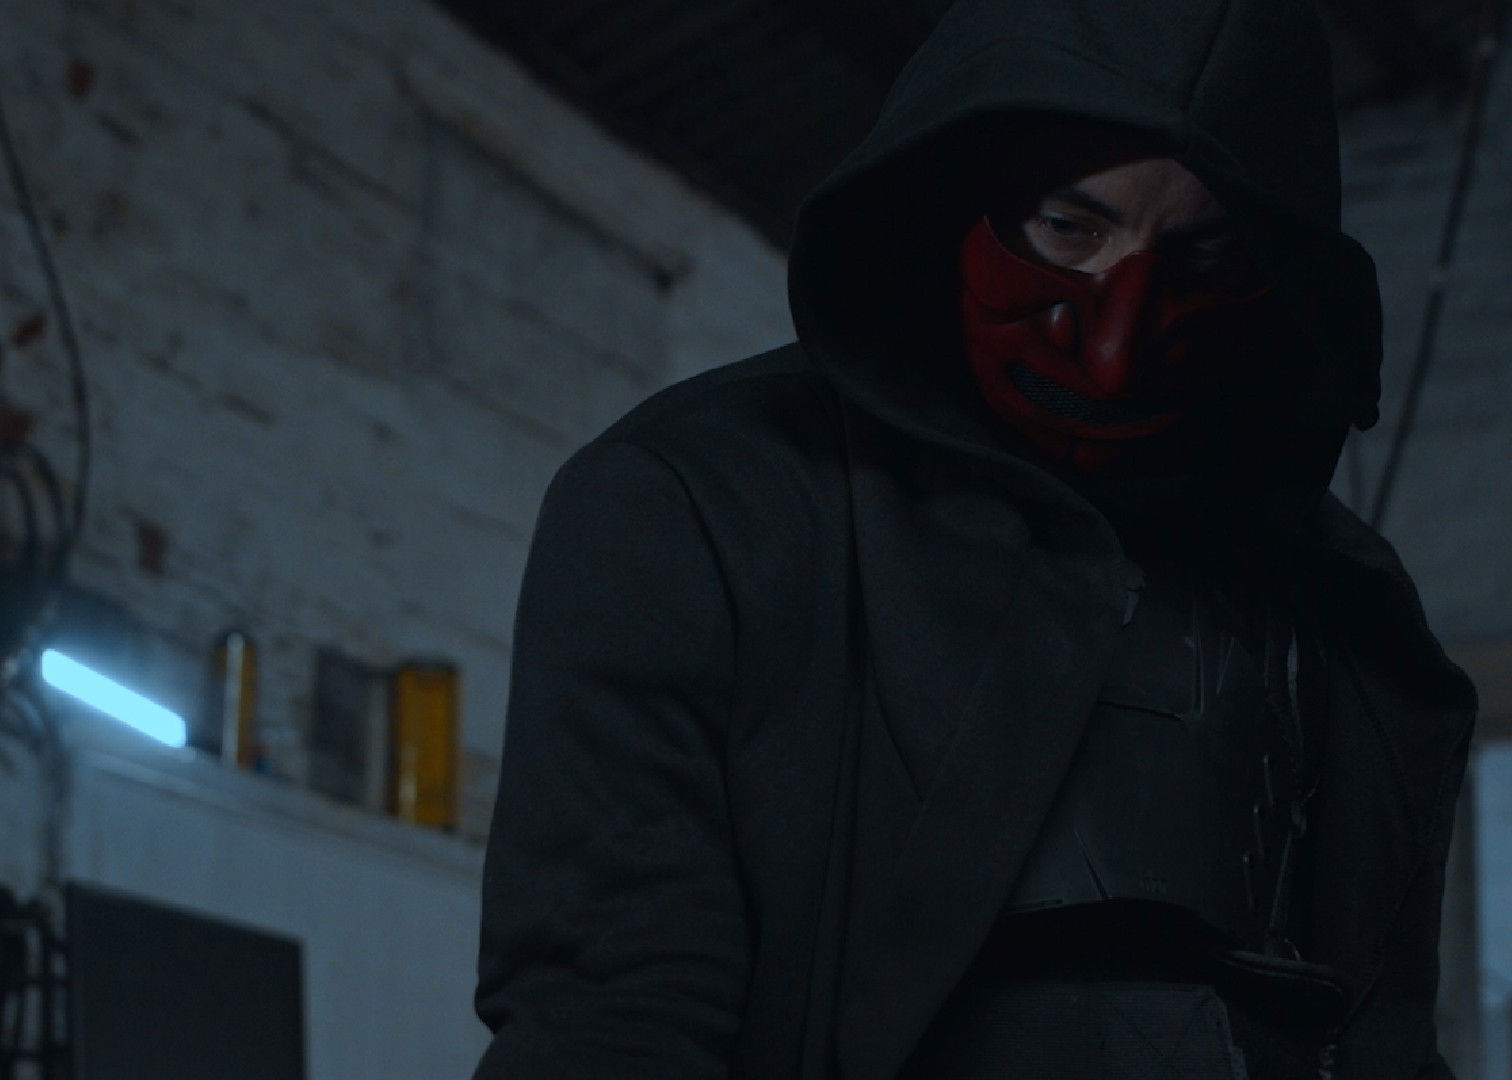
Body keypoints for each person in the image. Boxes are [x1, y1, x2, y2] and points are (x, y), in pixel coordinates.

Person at [471, 0, 1480, 1077]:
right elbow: (611, 1019)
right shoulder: (697, 503)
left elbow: (1382, 1038)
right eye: (1068, 228)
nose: (1111, 351)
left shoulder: (1339, 604)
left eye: (1202, 255)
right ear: (952, 191)